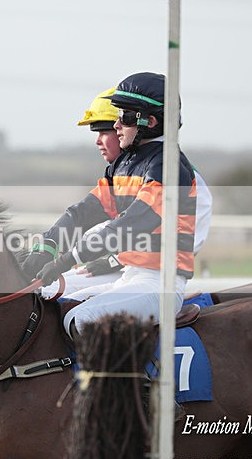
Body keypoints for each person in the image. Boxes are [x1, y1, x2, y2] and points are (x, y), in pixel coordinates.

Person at [22, 72, 199, 337]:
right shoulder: (124, 164)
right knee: (43, 302)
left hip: (159, 284)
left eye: (125, 117)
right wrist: (45, 247)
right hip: (130, 276)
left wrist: (68, 259)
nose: (116, 125)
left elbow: (132, 224)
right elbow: (81, 214)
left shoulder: (168, 165)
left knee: (81, 320)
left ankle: (122, 381)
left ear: (150, 122)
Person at [41, 85, 213, 301]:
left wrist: (114, 260)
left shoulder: (173, 171)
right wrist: (46, 247)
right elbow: (83, 215)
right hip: (127, 268)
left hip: (148, 275)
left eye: (105, 132)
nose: (98, 141)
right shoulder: (122, 170)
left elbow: (190, 237)